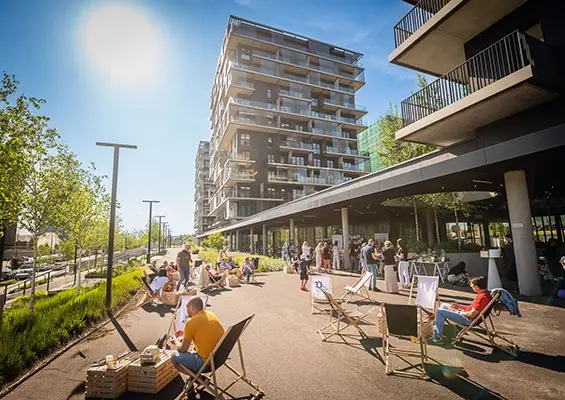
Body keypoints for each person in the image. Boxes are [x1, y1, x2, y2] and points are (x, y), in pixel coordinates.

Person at [429, 276, 492, 344]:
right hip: (468, 315)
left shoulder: (482, 298)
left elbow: (472, 314)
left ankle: (437, 337)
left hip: (468, 319)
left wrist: (458, 312)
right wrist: (458, 306)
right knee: (444, 305)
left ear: (477, 287)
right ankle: (440, 329)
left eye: (472, 287)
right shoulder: (486, 294)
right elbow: (471, 308)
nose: (472, 288)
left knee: (440, 312)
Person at [169, 297, 225, 373]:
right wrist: (185, 333)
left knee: (173, 356)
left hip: (205, 363)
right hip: (219, 357)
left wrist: (175, 341)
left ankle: (198, 378)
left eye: (187, 309)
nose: (187, 313)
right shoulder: (211, 314)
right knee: (193, 348)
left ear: (192, 308)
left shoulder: (190, 322)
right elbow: (204, 333)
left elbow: (183, 349)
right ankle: (196, 376)